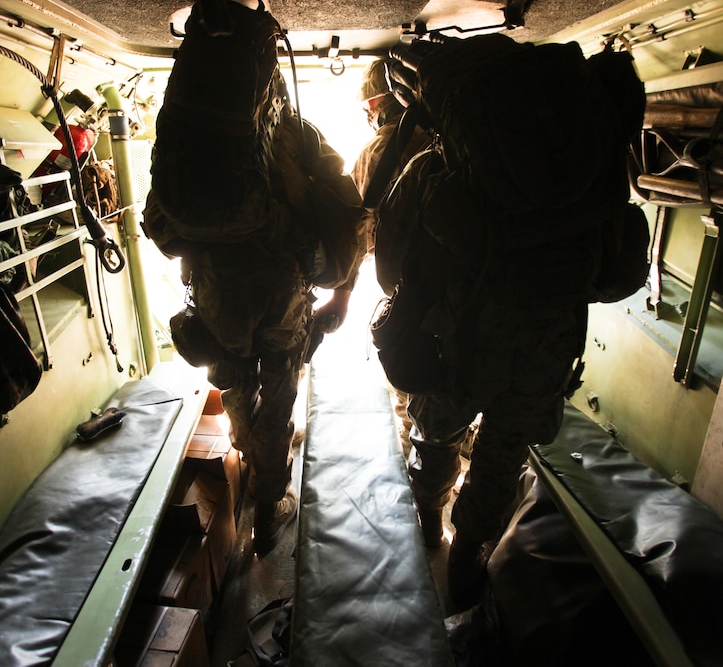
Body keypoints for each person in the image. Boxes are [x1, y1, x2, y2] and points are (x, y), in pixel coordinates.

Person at [377, 38, 606, 611]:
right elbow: (611, 271)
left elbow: (389, 266)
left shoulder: (435, 172)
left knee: (435, 438)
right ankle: (467, 558)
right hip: (546, 353)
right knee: (502, 458)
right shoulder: (582, 176)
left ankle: (429, 519)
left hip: (463, 348)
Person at [146, 70, 366, 557]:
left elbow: (160, 220)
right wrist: (341, 290)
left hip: (216, 289)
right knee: (281, 388)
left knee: (236, 381)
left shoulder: (195, 143)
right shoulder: (295, 131)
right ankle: (268, 509)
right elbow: (347, 207)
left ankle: (248, 456)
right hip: (281, 285)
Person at [350, 59, 433, 459]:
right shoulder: (450, 135)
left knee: (411, 380)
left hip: (407, 290)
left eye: (368, 106)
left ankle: (413, 459)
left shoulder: (376, 151)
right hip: (466, 281)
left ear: (380, 103)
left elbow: (359, 229)